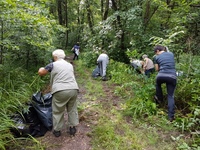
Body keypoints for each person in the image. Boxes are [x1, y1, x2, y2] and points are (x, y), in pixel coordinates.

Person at [38, 49, 79, 137]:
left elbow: (41, 73)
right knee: (72, 109)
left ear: (55, 57)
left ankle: (57, 130)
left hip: (60, 90)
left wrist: (41, 68)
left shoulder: (52, 65)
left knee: (58, 110)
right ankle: (72, 128)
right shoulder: (69, 65)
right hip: (73, 89)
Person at [153, 45, 177, 122]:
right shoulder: (171, 54)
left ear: (157, 51)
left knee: (158, 83)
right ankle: (171, 117)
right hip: (172, 76)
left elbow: (157, 69)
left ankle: (159, 98)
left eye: (155, 53)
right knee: (170, 96)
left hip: (161, 75)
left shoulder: (156, 57)